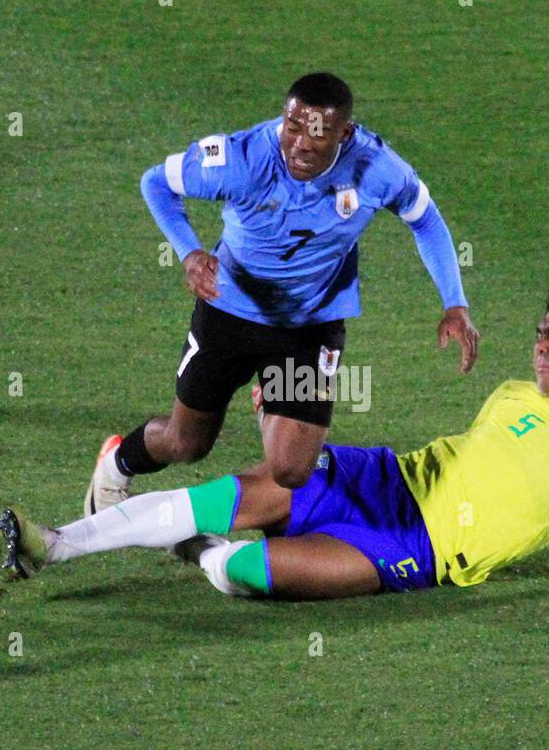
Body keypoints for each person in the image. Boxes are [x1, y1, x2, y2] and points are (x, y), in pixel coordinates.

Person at [4, 289, 549, 599]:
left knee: (241, 571)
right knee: (223, 493)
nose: (541, 346)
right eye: (539, 333)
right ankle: (54, 544)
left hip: (416, 548)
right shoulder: (513, 395)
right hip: (383, 478)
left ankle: (196, 548)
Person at [83, 72, 479, 516]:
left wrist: (454, 302)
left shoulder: (376, 168)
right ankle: (117, 462)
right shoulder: (241, 158)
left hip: (308, 329)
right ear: (283, 119)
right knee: (186, 443)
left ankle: (272, 396)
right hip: (227, 315)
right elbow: (156, 183)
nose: (301, 145)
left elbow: (425, 219)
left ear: (344, 134)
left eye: (318, 134)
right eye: (293, 128)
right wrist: (190, 253)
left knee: (291, 470)